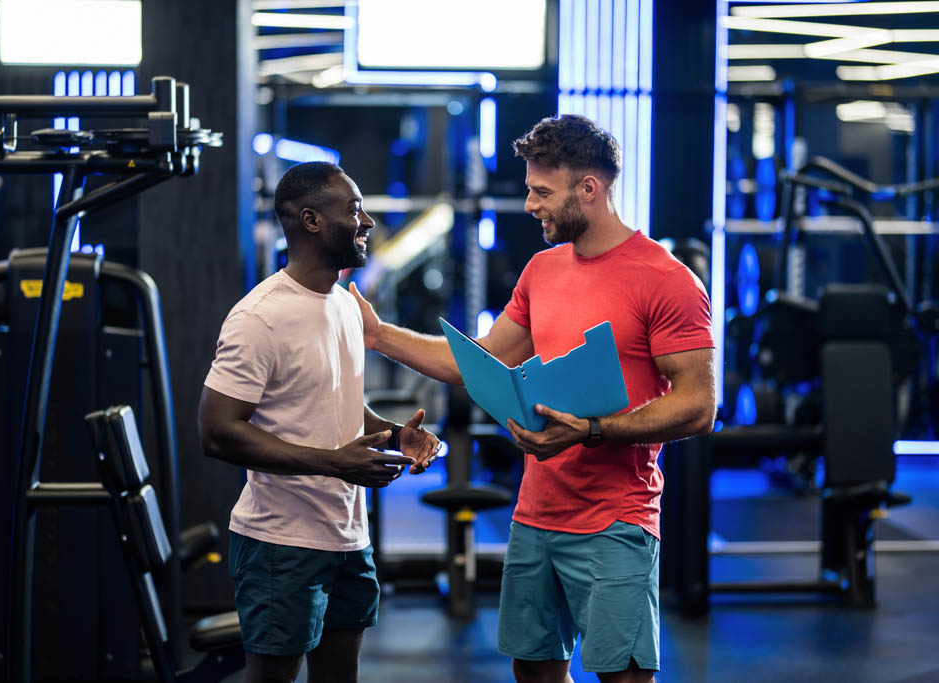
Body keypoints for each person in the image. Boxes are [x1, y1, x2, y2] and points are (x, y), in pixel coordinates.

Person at [349, 114, 716, 683]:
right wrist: (378, 335)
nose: (529, 205)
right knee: (534, 671)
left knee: (623, 676)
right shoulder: (541, 271)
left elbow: (698, 404)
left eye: (542, 192)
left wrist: (592, 430)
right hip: (536, 514)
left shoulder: (666, 280)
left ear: (588, 189)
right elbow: (477, 363)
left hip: (616, 519)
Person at [198, 161, 441, 683]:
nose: (367, 222)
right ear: (311, 220)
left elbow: (339, 404)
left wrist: (395, 434)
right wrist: (332, 464)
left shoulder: (345, 306)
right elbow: (217, 431)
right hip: (281, 543)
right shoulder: (259, 317)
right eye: (354, 210)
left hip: (348, 537)